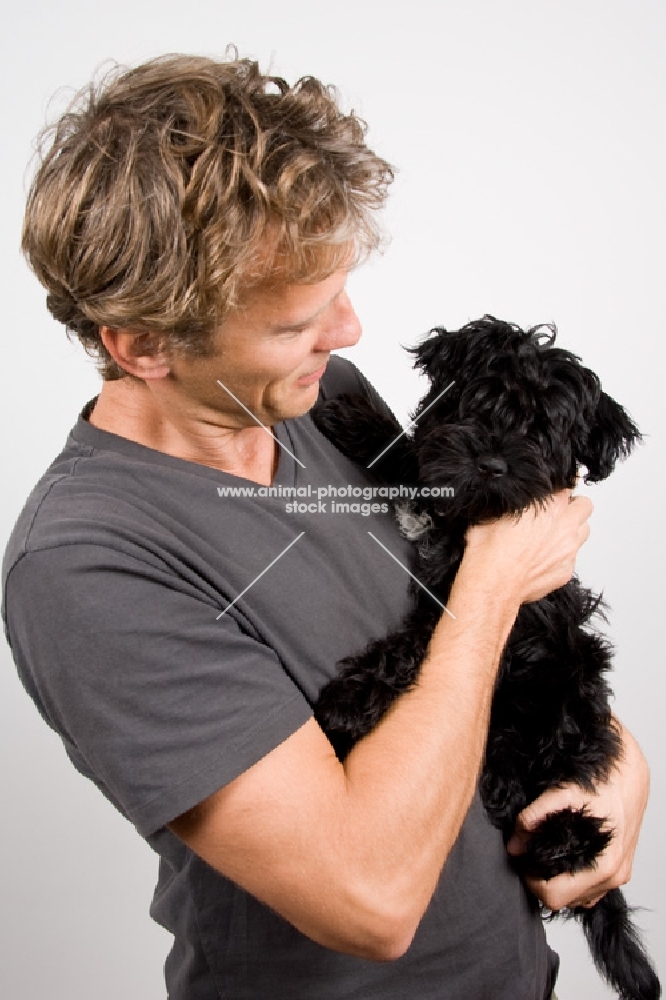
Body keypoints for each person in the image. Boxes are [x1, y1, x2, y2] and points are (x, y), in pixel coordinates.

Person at [3, 52, 649, 999]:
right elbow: (370, 899)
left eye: (339, 289)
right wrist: (497, 578)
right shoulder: (89, 562)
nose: (347, 332)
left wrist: (624, 772)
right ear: (141, 346)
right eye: (295, 320)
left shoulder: (321, 400)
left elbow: (493, 663)